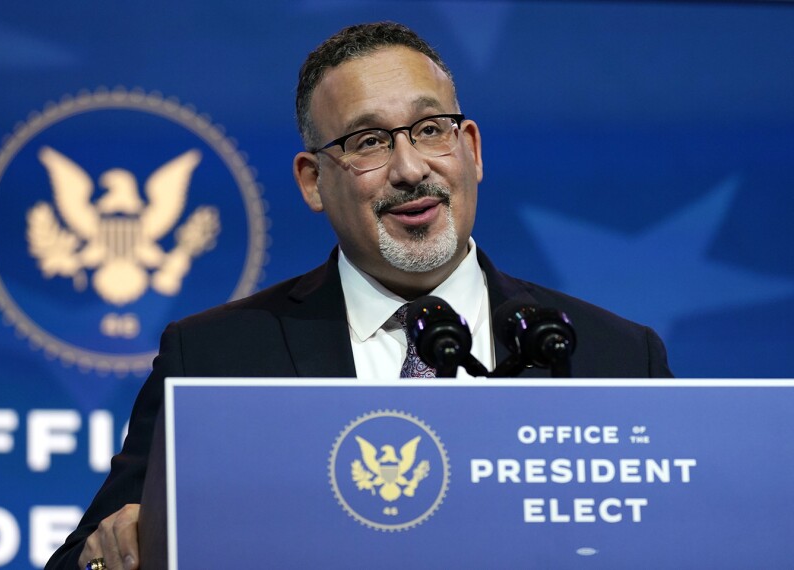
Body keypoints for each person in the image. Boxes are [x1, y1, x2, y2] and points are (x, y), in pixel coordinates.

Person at [47, 21, 671, 570]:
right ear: (313, 182)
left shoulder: (611, 358)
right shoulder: (215, 357)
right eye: (369, 142)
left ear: (471, 150)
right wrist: (114, 556)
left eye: (430, 129)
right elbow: (87, 559)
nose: (409, 168)